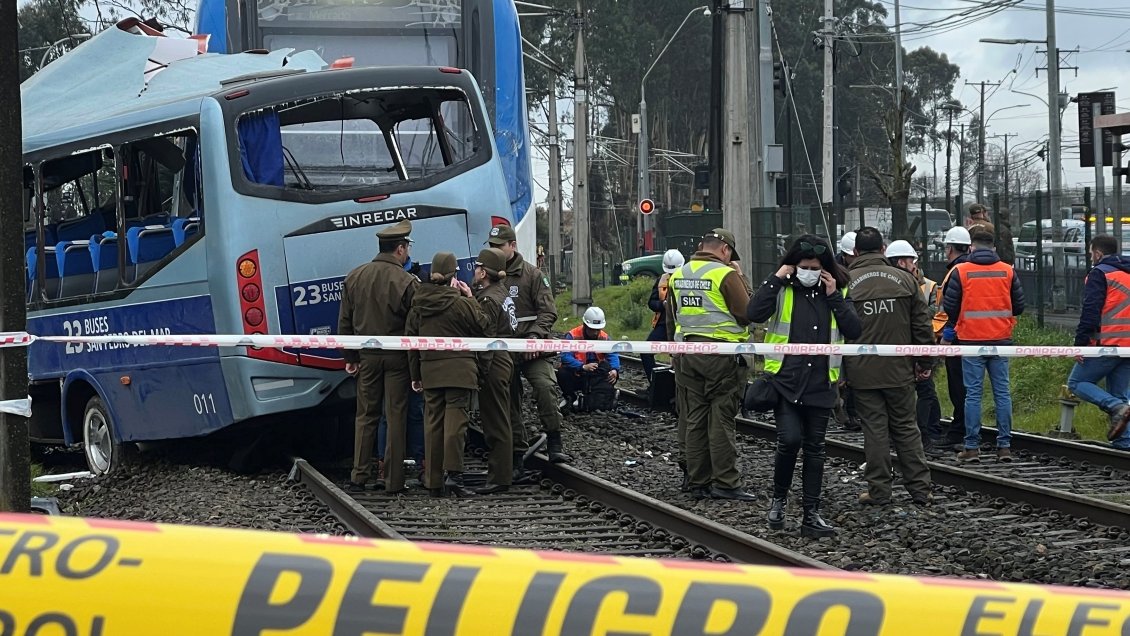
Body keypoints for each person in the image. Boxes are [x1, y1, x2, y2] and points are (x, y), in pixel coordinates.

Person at [748, 235, 861, 537]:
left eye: (815, 267)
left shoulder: (838, 290)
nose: (809, 271)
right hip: (785, 382)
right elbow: (753, 313)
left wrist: (835, 295)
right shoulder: (782, 289)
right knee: (789, 440)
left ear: (826, 268)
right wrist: (776, 278)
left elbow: (854, 329)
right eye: (803, 266)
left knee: (816, 449)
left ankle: (811, 513)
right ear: (793, 265)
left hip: (821, 384)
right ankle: (778, 502)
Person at [845, 227, 935, 506]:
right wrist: (925, 362)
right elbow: (922, 326)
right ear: (883, 249)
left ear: (855, 252)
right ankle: (921, 489)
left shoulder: (847, 282)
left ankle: (879, 491)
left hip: (862, 371)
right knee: (906, 427)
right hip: (900, 370)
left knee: (875, 430)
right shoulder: (906, 281)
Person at [667, 228, 756, 501]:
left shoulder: (679, 275)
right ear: (726, 250)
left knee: (694, 418)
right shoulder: (725, 274)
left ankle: (697, 480)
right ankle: (726, 482)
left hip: (687, 354)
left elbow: (673, 317)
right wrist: (741, 277)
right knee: (721, 420)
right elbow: (746, 313)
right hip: (721, 356)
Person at [338, 220, 418, 493]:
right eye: (406, 247)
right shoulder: (407, 282)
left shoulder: (355, 276)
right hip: (397, 358)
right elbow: (414, 325)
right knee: (395, 416)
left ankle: (359, 475)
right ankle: (393, 480)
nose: (407, 252)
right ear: (399, 249)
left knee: (366, 415)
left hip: (367, 356)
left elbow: (345, 322)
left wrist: (350, 355)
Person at [406, 252, 490, 497]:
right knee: (455, 424)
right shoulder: (461, 303)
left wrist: (416, 374)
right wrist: (471, 298)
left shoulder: (418, 305)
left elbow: (411, 342)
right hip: (460, 371)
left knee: (432, 424)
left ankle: (433, 480)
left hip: (429, 370)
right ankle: (454, 475)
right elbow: (484, 326)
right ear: (454, 276)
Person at [942, 227, 1025, 463]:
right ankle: (1004, 446)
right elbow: (1018, 306)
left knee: (973, 394)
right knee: (1002, 393)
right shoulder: (1008, 271)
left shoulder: (961, 271)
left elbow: (951, 307)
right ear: (994, 248)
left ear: (971, 247)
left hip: (971, 341)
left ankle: (971, 447)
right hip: (1001, 340)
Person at [488, 223, 563, 466]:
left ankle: (554, 440)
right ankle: (516, 452)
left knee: (545, 388)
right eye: (492, 246)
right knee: (507, 401)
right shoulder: (487, 275)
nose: (495, 251)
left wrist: (534, 337)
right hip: (503, 352)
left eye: (500, 246)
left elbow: (548, 311)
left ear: (512, 246)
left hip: (532, 350)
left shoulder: (533, 275)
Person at [1069, 235, 1130, 449]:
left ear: (1098, 253)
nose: (1090, 257)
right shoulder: (1127, 274)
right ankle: (1124, 445)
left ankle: (1115, 407)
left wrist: (1080, 345)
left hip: (1106, 345)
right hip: (1128, 347)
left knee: (1077, 383)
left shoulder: (1099, 274)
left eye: (1090, 253)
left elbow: (1091, 312)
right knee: (1120, 392)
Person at [886, 239, 945, 457]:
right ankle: (907, 438)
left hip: (917, 344)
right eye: (911, 260)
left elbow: (934, 311)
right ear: (902, 262)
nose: (914, 265)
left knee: (925, 392)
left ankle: (926, 434)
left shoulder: (928, 285)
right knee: (906, 393)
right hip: (905, 347)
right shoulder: (891, 285)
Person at [472, 247, 519, 493]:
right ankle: (501, 472)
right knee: (502, 416)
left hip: (494, 361)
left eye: (478, 267)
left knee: (496, 421)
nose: (475, 270)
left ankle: (499, 478)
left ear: (484, 272)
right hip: (505, 357)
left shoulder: (488, 299)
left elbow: (486, 338)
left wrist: (481, 369)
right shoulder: (502, 293)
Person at [932, 226, 972, 450]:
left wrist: (947, 335)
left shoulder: (957, 271)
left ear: (949, 248)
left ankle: (958, 431)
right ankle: (966, 429)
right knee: (969, 387)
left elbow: (953, 308)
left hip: (957, 337)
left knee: (958, 387)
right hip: (979, 336)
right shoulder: (970, 267)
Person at [557, 307, 620, 411]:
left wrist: (614, 370)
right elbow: (565, 356)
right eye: (592, 329)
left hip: (595, 374)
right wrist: (582, 366)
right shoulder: (572, 335)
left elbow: (613, 355)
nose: (595, 333)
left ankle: (599, 398)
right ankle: (570, 397)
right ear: (585, 325)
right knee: (563, 372)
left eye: (597, 329)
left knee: (609, 370)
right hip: (578, 372)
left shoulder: (604, 338)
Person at [642, 249, 685, 381]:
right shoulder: (661, 280)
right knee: (645, 352)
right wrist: (663, 304)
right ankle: (654, 382)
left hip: (683, 325)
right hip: (663, 324)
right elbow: (651, 302)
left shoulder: (688, 279)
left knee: (684, 356)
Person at [833, 231, 861, 431]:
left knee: (853, 374)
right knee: (841, 376)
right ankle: (842, 411)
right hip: (837, 330)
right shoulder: (834, 272)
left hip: (854, 325)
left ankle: (852, 413)